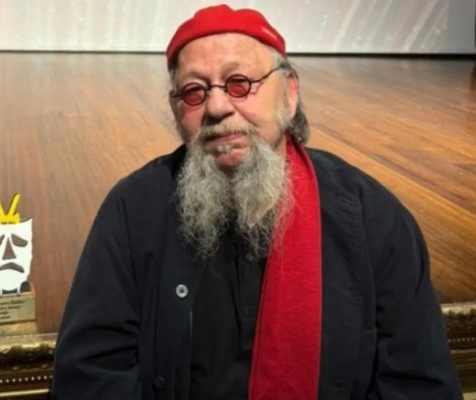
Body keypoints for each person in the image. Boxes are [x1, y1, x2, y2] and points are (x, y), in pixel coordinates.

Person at [51, 4, 463, 400]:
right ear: (176, 110)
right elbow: (92, 374)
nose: (216, 107)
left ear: (289, 94)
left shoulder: (373, 219)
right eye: (194, 92)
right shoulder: (133, 211)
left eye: (239, 83)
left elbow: (418, 385)